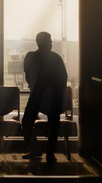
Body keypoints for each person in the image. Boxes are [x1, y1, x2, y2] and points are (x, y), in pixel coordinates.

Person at [21, 32, 67, 163]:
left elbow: (28, 74)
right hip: (53, 97)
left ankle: (35, 149)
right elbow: (63, 77)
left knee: (27, 122)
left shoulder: (30, 57)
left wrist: (33, 87)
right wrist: (58, 93)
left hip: (37, 95)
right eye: (50, 40)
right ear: (43, 42)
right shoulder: (56, 59)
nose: (52, 43)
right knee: (54, 125)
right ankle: (50, 153)